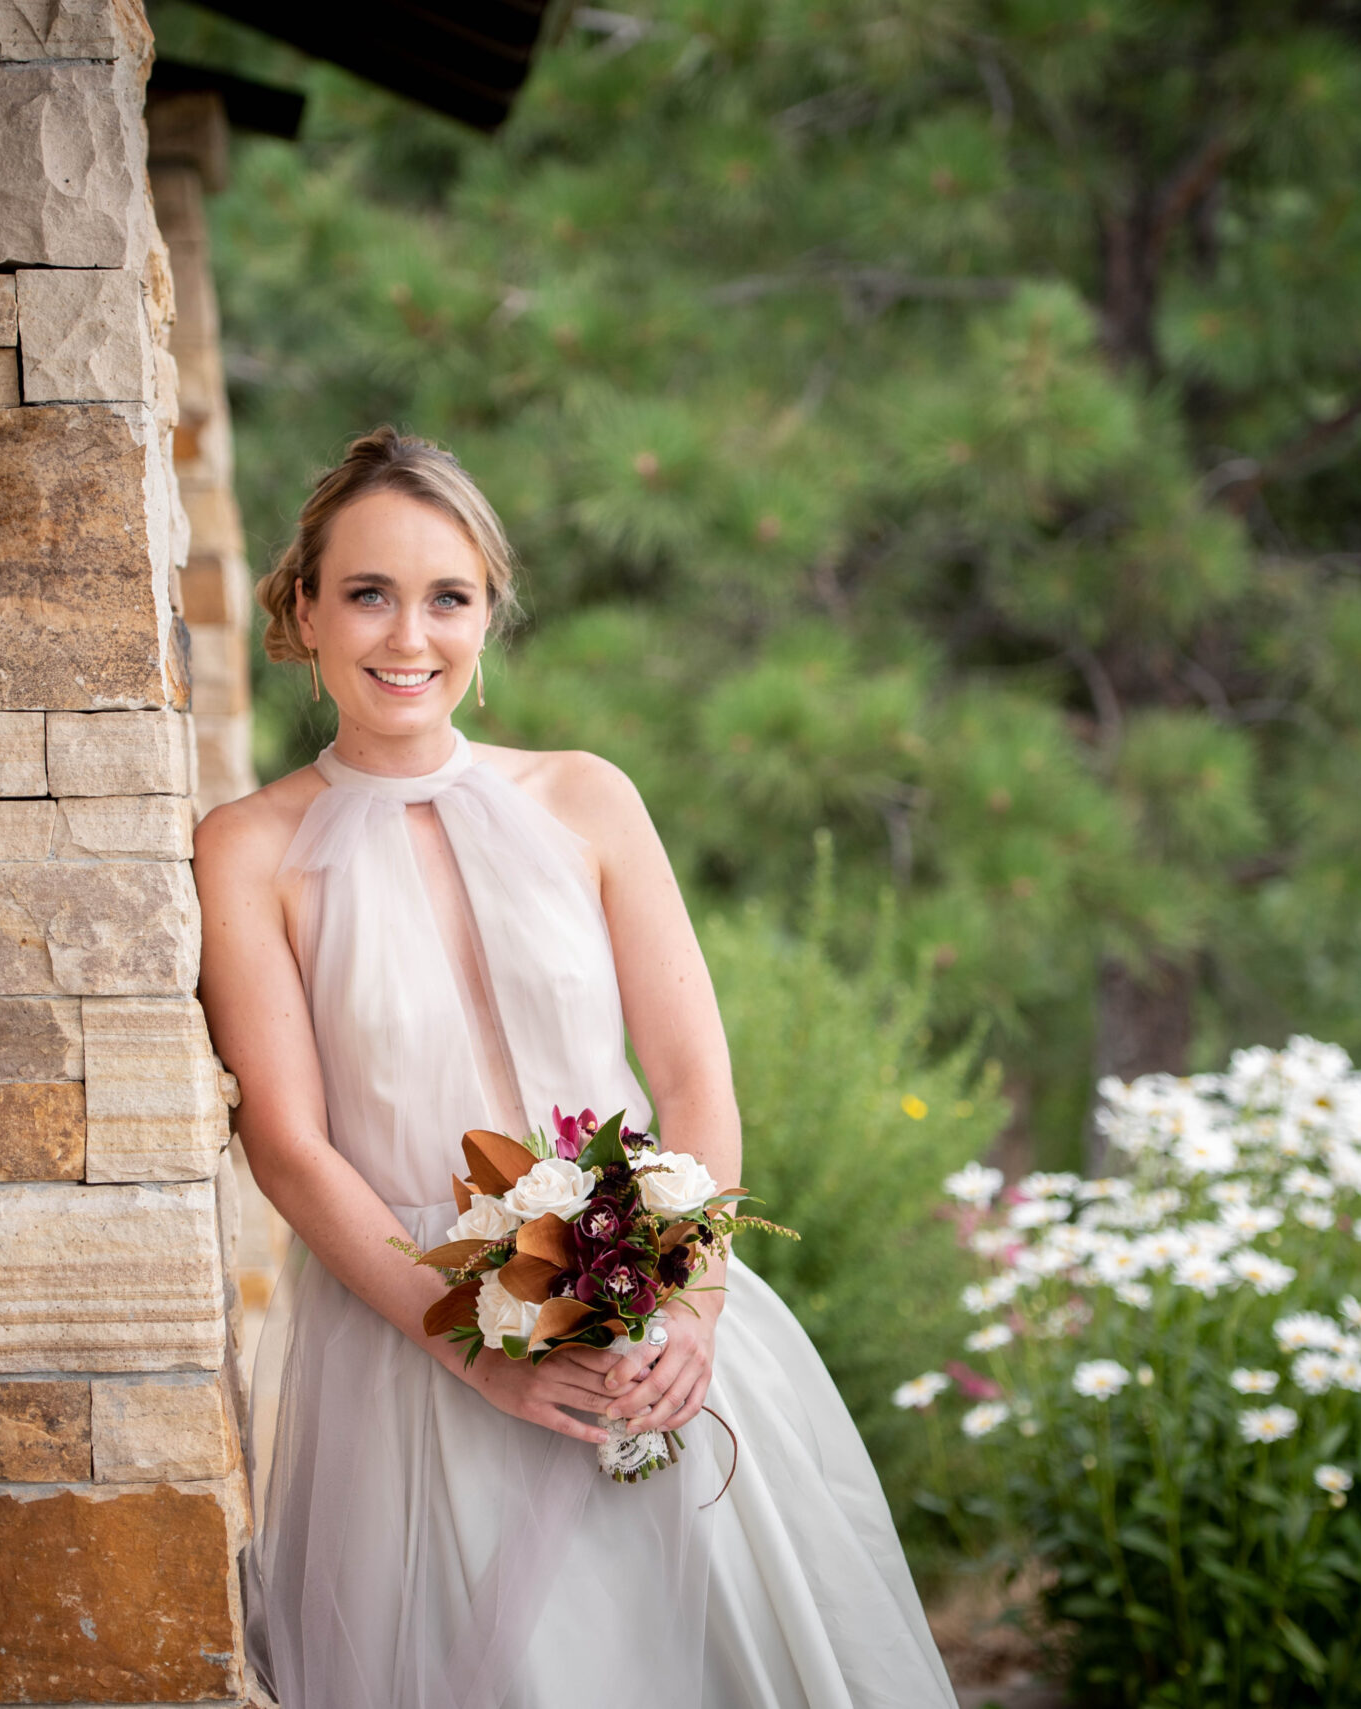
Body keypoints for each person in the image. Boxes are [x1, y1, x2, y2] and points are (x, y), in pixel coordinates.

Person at [192, 426, 954, 1709]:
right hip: (419, 1349)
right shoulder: (246, 849)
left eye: (449, 596)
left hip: (655, 1310)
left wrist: (693, 1307)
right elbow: (289, 1145)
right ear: (302, 610)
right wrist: (477, 1352)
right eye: (368, 592)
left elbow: (694, 1082)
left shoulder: (586, 797)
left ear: (488, 614)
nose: (407, 635)